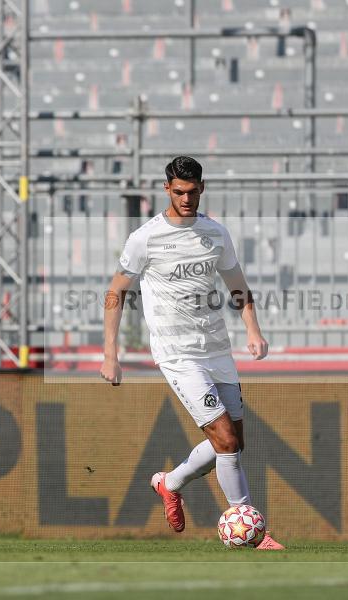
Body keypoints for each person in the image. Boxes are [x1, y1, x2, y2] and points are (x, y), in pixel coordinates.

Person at [100, 156, 284, 550]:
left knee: (233, 440)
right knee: (226, 441)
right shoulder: (144, 238)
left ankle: (170, 483)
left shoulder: (215, 233)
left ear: (202, 188)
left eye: (192, 191)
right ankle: (251, 530)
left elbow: (238, 285)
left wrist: (253, 330)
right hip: (177, 355)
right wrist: (110, 354)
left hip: (217, 349)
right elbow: (116, 292)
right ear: (167, 189)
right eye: (178, 191)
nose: (186, 198)